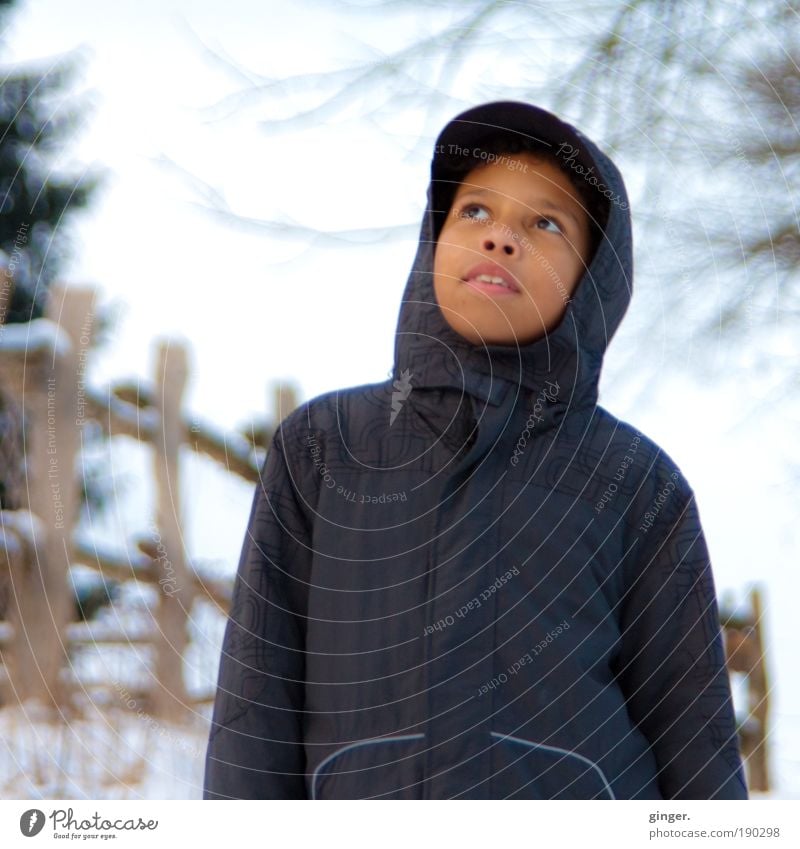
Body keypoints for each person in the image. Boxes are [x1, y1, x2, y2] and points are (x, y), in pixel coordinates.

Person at [203, 100, 748, 800]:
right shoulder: (324, 446)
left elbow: (692, 732)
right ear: (435, 240)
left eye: (544, 223)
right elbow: (256, 701)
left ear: (591, 281)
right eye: (476, 212)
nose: (500, 238)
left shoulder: (637, 484)